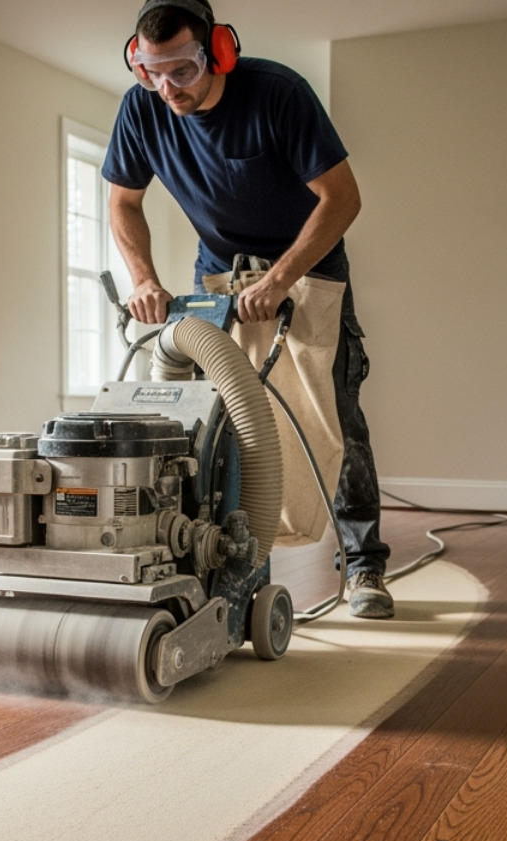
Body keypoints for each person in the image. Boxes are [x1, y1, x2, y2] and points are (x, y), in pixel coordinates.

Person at [103, 0, 394, 618]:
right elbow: (124, 202)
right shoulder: (142, 109)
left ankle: (364, 567)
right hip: (219, 274)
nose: (165, 88)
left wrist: (282, 276)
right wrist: (145, 278)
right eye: (150, 72)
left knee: (335, 416)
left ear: (219, 53)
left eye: (180, 71)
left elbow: (342, 199)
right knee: (216, 415)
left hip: (309, 269)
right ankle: (229, 556)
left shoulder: (277, 93)